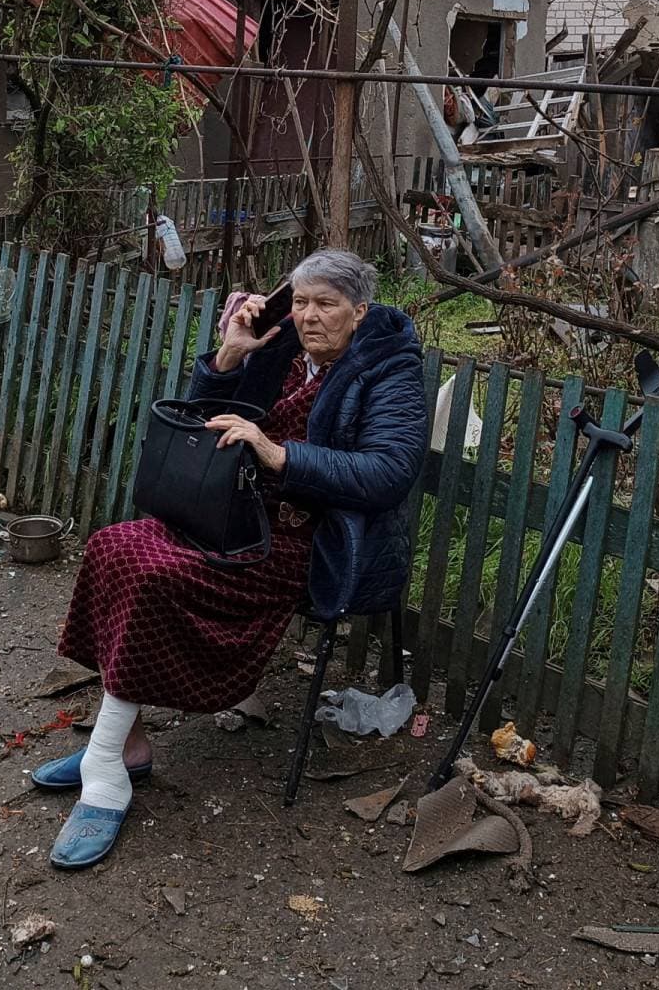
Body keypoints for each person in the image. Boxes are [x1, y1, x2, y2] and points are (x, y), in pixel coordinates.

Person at [34, 247, 428, 869]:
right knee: (114, 546)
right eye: (300, 302)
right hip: (232, 515)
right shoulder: (282, 348)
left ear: (360, 311)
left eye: (326, 304)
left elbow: (390, 472)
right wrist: (228, 357)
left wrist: (278, 456)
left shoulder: (388, 368)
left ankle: (106, 766)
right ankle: (123, 745)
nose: (308, 316)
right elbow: (203, 417)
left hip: (307, 539)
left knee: (156, 573)